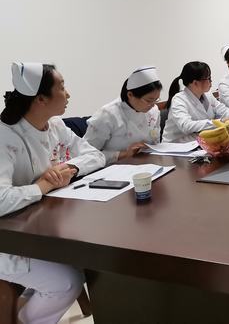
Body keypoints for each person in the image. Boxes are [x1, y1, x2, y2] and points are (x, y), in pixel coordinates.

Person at [0, 62, 105, 324]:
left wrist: (70, 168)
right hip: (8, 238)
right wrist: (43, 186)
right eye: (62, 87)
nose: (68, 94)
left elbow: (95, 155)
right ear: (40, 99)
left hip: (41, 226)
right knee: (66, 282)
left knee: (90, 259)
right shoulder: (4, 137)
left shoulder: (55, 125)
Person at [84, 66, 162, 164]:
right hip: (114, 167)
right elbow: (86, 154)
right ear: (130, 95)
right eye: (149, 100)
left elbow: (156, 143)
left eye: (156, 100)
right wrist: (123, 154)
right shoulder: (107, 115)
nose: (153, 105)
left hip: (147, 163)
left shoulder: (153, 111)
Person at [162, 61, 229, 143]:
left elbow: (224, 111)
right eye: (208, 78)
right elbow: (186, 126)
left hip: (199, 142)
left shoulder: (207, 95)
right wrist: (219, 122)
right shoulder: (179, 100)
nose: (211, 81)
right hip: (177, 146)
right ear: (195, 83)